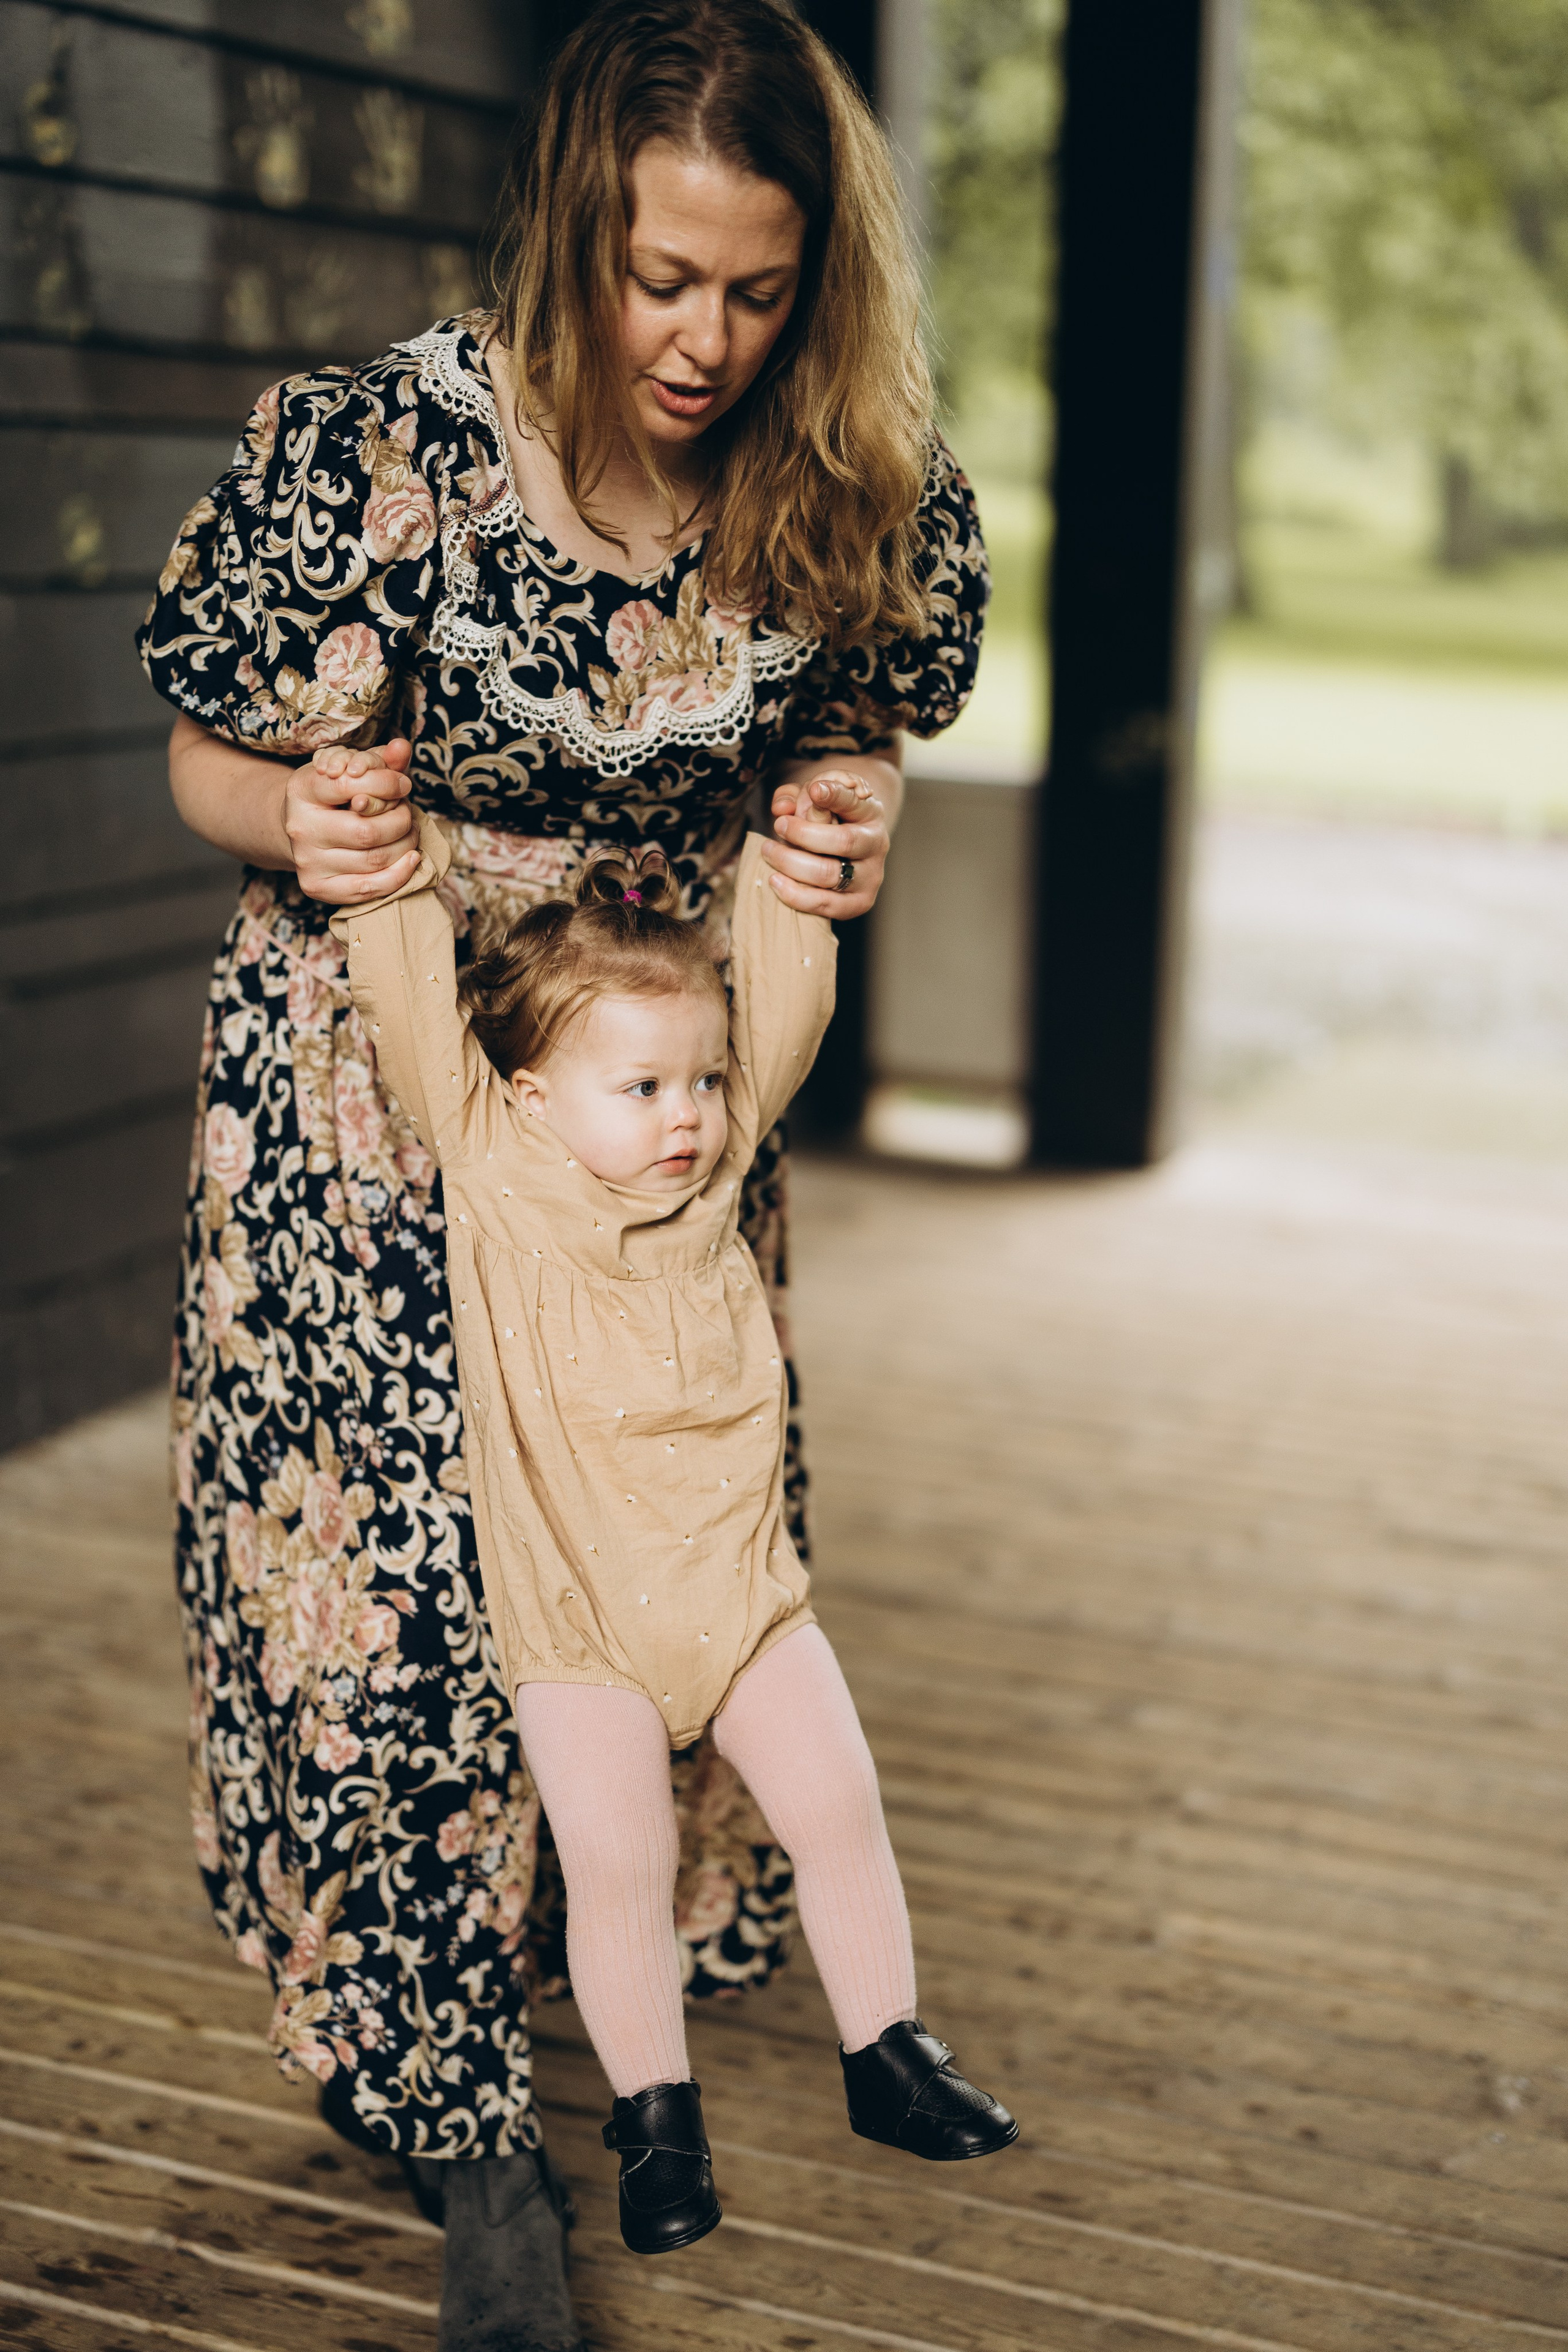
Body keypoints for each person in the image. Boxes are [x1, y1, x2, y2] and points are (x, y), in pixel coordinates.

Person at [136, 0, 988, 2342]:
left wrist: (854, 808)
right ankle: (458, 2120)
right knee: (404, 1604)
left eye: (756, 286)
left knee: (648, 1570)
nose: (704, 338)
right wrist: (289, 814)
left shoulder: (845, 471)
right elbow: (207, 756)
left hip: (648, 1106)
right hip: (372, 1090)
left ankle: (571, 1998)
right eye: (658, 279)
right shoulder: (384, 442)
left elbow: (855, 738)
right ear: (568, 234)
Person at [324, 794, 1016, 2252]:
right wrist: (391, 868)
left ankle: (886, 2052)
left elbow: (781, 991)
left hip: (745, 1605)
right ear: (526, 1097)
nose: (686, 1116)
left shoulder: (705, 1187)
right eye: (638, 1089)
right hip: (579, 1629)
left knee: (839, 1811)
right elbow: (399, 987)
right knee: (622, 1872)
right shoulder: (497, 1179)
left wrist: (790, 871)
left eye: (700, 1082)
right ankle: (657, 2129)